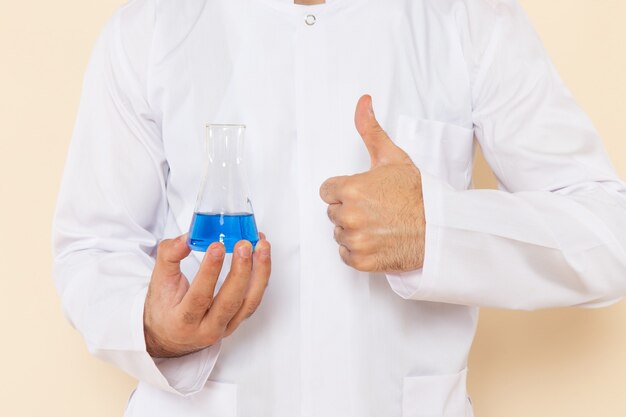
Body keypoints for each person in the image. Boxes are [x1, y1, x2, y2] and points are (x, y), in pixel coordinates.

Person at [52, 0, 626, 416]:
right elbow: (91, 248)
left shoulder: (470, 22)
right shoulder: (150, 29)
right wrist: (153, 328)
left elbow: (608, 231)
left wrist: (438, 229)